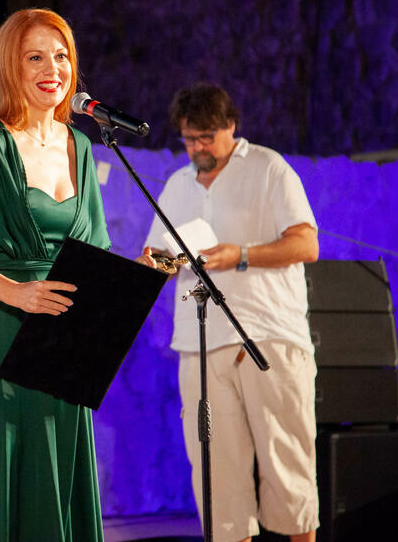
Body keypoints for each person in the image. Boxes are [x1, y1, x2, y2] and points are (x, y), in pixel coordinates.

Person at [0, 8, 152, 542]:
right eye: (35, 57)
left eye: (61, 56)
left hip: (61, 338)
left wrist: (137, 274)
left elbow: (89, 253)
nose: (53, 69)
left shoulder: (82, 145)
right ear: (11, 66)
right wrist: (19, 293)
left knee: (52, 471)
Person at [144, 82, 320, 542]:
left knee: (288, 470)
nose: (197, 148)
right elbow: (160, 256)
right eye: (188, 138)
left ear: (230, 126)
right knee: (217, 479)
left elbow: (307, 244)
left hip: (267, 336)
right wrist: (155, 263)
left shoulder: (268, 167)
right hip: (199, 343)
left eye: (206, 137)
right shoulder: (177, 185)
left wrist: (239, 254)